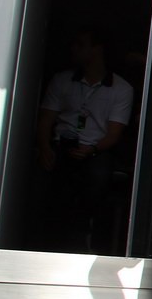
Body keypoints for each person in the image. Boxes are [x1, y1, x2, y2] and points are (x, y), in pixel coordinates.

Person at [36, 27, 135, 253]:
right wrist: (44, 147)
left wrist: (91, 149)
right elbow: (45, 119)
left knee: (99, 175)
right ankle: (44, 238)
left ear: (97, 49)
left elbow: (113, 134)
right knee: (45, 174)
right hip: (61, 144)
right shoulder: (63, 81)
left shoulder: (120, 88)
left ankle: (85, 234)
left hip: (96, 150)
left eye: (81, 44)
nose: (74, 49)